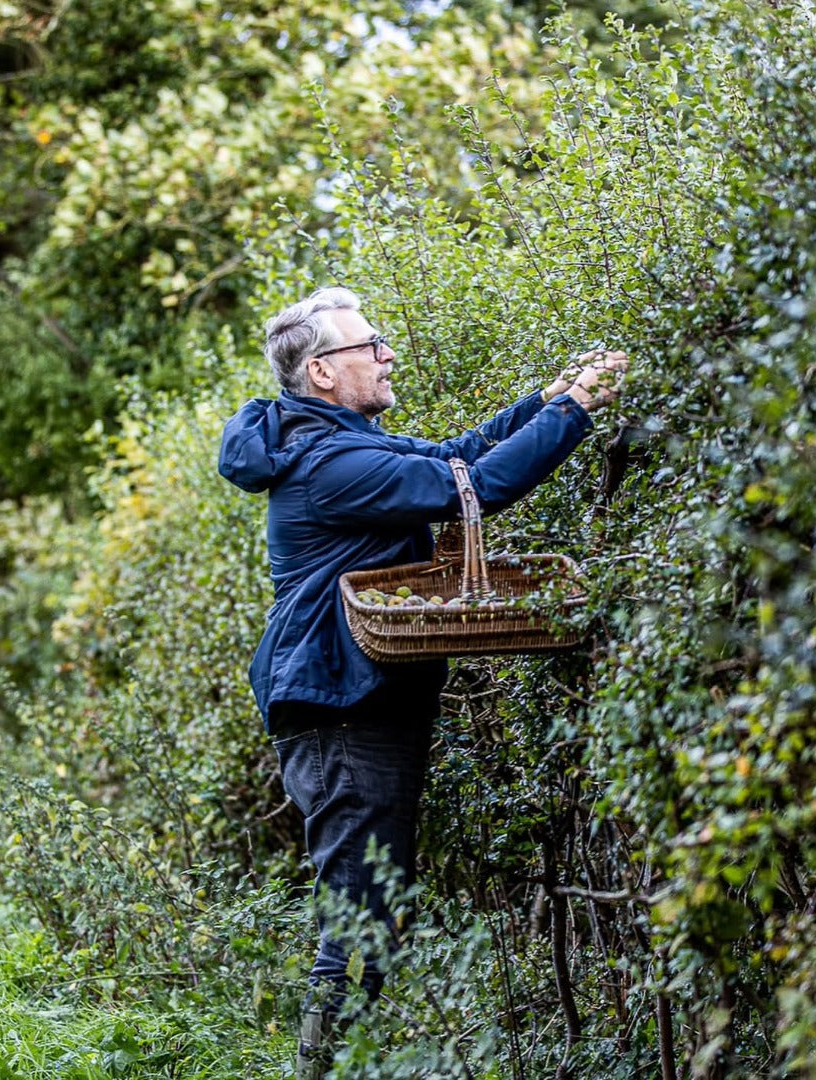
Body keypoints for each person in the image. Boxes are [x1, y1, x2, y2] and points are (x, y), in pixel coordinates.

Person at [218, 286, 627, 1077]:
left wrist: (544, 400)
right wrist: (576, 410)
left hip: (354, 703)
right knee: (360, 913)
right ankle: (326, 1067)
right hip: (338, 709)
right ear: (323, 372)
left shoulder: (336, 440)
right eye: (369, 345)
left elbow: (456, 457)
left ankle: (349, 1063)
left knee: (376, 910)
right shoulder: (330, 463)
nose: (386, 353)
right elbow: (474, 491)